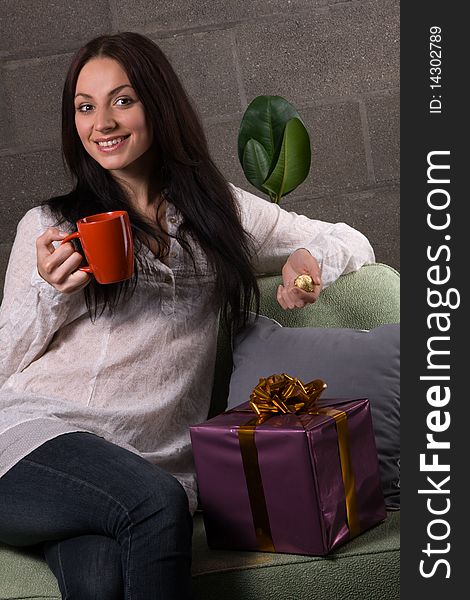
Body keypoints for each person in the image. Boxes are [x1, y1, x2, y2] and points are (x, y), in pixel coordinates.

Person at [0, 32, 375, 600]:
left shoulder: (219, 214)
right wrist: (49, 291)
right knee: (154, 503)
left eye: (122, 100)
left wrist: (310, 258)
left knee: (99, 580)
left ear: (159, 104)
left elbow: (350, 240)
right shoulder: (49, 226)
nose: (102, 121)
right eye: (85, 106)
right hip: (34, 442)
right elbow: (6, 360)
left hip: (137, 462)